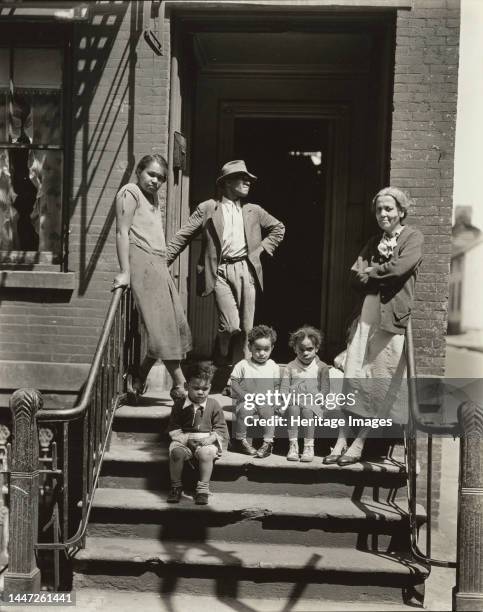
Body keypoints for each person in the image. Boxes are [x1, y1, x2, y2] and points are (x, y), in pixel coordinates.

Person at [323, 186, 424, 466]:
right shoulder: (372, 242)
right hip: (366, 316)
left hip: (391, 320)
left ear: (401, 211)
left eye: (389, 208)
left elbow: (400, 268)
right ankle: (341, 439)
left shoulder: (412, 237)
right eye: (379, 209)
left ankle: (359, 442)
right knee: (354, 376)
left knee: (381, 381)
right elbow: (355, 278)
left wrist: (373, 272)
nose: (383, 214)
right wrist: (375, 274)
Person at [166, 160, 285, 364]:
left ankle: (237, 379)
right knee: (230, 326)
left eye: (249, 179)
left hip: (246, 270)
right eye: (242, 178)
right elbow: (183, 236)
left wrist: (261, 251)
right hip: (219, 271)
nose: (247, 181)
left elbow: (278, 228)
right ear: (227, 182)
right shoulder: (208, 208)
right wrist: (163, 261)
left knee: (247, 328)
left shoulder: (253, 210)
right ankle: (220, 351)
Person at [112, 154, 191, 403]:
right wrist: (125, 271)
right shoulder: (130, 192)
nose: (156, 181)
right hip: (141, 262)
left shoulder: (153, 197)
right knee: (161, 330)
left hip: (158, 263)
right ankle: (182, 385)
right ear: (139, 171)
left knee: (172, 326)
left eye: (161, 178)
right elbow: (121, 232)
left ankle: (139, 376)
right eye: (151, 174)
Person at [166, 363, 229, 505]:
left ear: (210, 388)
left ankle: (203, 489)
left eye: (205, 389)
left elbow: (221, 427)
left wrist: (211, 438)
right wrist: (185, 439)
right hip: (184, 440)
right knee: (176, 453)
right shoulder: (179, 405)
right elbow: (174, 426)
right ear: (187, 386)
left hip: (206, 440)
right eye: (196, 388)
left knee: (206, 454)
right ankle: (176, 486)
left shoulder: (213, 404)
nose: (201, 392)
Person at [280, 326, 330, 462]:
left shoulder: (322, 367)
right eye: (301, 349)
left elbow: (325, 388)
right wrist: (285, 399)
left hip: (313, 404)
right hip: (294, 402)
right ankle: (293, 445)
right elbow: (284, 388)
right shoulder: (290, 367)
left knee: (307, 411)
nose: (305, 353)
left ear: (317, 348)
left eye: (310, 349)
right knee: (294, 408)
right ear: (295, 349)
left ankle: (308, 447)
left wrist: (320, 397)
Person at [230, 325, 281, 458]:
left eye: (266, 349)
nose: (262, 353)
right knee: (243, 412)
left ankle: (268, 443)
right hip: (247, 400)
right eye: (257, 349)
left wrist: (276, 400)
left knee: (269, 414)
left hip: (265, 401)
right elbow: (234, 382)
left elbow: (276, 386)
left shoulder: (273, 366)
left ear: (272, 348)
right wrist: (243, 395)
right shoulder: (243, 365)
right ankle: (240, 440)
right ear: (250, 347)